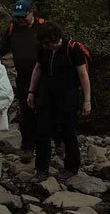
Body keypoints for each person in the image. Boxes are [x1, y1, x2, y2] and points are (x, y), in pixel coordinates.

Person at [26, 21, 91, 181]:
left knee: (68, 132)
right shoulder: (44, 49)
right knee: (42, 132)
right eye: (43, 43)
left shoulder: (72, 48)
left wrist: (87, 100)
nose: (46, 45)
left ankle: (71, 167)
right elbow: (38, 68)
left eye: (48, 42)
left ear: (55, 37)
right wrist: (31, 91)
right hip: (46, 95)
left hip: (67, 96)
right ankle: (41, 169)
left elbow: (83, 75)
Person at [0, 0, 44, 157]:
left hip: (44, 78)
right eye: (17, 17)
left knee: (47, 111)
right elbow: (1, 49)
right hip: (24, 78)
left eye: (23, 17)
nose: (20, 20)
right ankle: (27, 147)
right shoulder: (13, 28)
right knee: (26, 112)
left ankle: (55, 142)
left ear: (31, 13)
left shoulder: (43, 27)